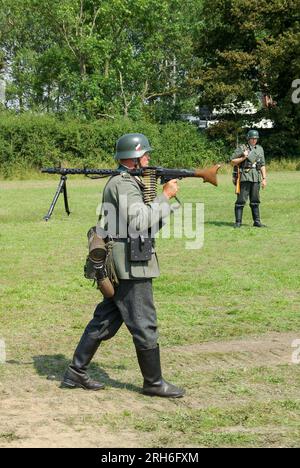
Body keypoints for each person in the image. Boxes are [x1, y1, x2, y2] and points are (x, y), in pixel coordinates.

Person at [62, 133, 185, 398]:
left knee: (108, 316)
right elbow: (140, 221)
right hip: (129, 262)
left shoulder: (131, 182)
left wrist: (163, 203)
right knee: (144, 322)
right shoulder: (124, 183)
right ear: (134, 158)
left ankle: (76, 371)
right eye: (146, 154)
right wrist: (165, 196)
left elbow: (148, 223)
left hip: (127, 257)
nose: (149, 158)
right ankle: (153, 383)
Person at [231, 129, 267, 228]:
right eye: (252, 138)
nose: (254, 140)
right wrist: (244, 157)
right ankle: (238, 222)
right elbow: (233, 161)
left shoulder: (260, 149)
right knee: (241, 200)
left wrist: (264, 178)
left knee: (255, 200)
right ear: (248, 138)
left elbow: (262, 165)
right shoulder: (242, 148)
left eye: (256, 138)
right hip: (245, 177)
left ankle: (257, 221)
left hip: (256, 177)